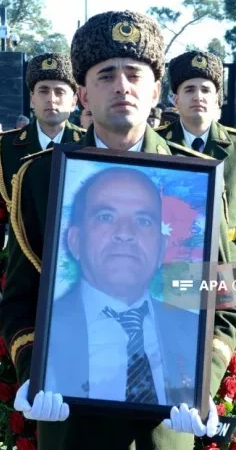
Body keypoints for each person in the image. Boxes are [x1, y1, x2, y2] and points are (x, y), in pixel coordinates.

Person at [0, 11, 236, 448]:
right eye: (106, 75)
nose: (122, 86)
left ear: (155, 91)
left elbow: (221, 304)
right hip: (71, 421)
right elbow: (20, 297)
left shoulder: (195, 178)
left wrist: (199, 384)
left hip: (166, 426)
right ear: (83, 94)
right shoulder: (40, 177)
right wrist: (35, 372)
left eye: (134, 74)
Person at [47, 167, 198, 406]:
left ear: (161, 248)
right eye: (106, 217)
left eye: (143, 220)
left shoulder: (191, 329)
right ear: (75, 240)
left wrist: (201, 399)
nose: (125, 233)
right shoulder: (46, 329)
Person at [159, 50, 236, 319]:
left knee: (222, 337)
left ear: (217, 99)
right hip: (170, 263)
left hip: (225, 262)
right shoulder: (157, 144)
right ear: (175, 99)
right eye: (189, 89)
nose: (198, 96)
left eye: (206, 90)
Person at [0, 52, 84, 301]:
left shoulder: (86, 146)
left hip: (77, 270)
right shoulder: (6, 146)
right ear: (32, 99)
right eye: (43, 91)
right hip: (21, 267)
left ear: (74, 100)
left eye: (60, 91)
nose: (51, 99)